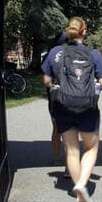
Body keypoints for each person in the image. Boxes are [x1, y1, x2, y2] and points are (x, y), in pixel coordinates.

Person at [41, 17, 102, 202]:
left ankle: (78, 189)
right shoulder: (93, 53)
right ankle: (81, 183)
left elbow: (46, 80)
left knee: (71, 150)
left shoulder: (55, 53)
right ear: (83, 31)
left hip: (63, 106)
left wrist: (57, 84)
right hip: (87, 107)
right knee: (91, 148)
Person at [42, 31, 68, 166]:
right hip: (74, 95)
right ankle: (71, 164)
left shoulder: (50, 53)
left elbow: (46, 80)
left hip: (55, 95)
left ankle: (57, 158)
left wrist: (53, 85)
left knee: (57, 129)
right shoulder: (77, 52)